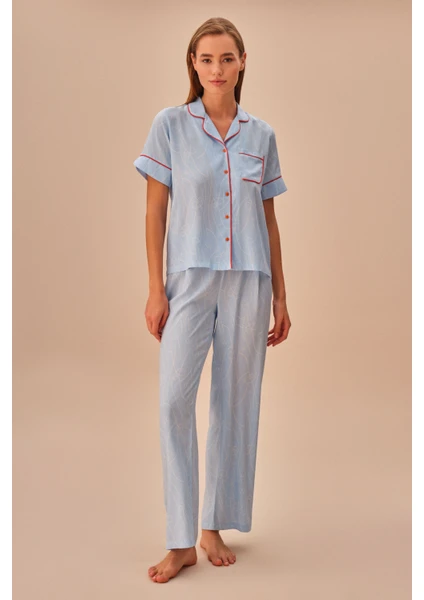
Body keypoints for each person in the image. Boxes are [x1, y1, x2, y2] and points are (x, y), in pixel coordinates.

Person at [133, 17, 292, 584]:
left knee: (236, 401)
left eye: (227, 58)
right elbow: (155, 211)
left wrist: (281, 294)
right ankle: (179, 540)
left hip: (250, 279)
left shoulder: (261, 135)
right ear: (193, 64)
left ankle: (212, 526)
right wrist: (156, 288)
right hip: (190, 278)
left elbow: (268, 220)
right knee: (174, 402)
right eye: (206, 59)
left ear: (242, 62)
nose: (216, 69)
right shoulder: (170, 126)